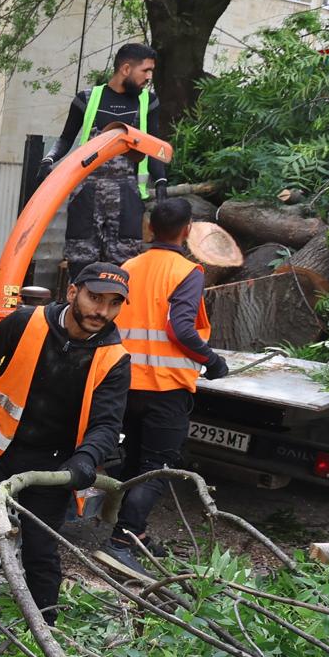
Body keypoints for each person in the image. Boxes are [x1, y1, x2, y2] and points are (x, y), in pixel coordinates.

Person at [0, 263, 132, 657]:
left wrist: (84, 461)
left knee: (42, 551)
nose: (102, 310)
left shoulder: (114, 358)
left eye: (113, 304)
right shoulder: (26, 322)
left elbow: (106, 424)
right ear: (73, 291)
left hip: (54, 466)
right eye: (95, 298)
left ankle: (46, 638)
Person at [100, 195, 229, 579]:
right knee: (158, 468)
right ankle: (120, 544)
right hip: (164, 389)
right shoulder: (187, 271)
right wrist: (213, 361)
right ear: (187, 230)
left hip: (124, 384)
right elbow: (180, 327)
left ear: (150, 228)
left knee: (135, 459)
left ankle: (134, 532)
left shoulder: (128, 267)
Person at [47, 43, 167, 271]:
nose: (149, 77)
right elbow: (66, 139)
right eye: (146, 71)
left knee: (124, 267)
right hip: (86, 195)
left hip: (127, 198)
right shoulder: (87, 99)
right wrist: (49, 159)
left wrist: (161, 181)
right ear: (126, 69)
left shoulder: (148, 102)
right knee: (80, 264)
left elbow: (153, 146)